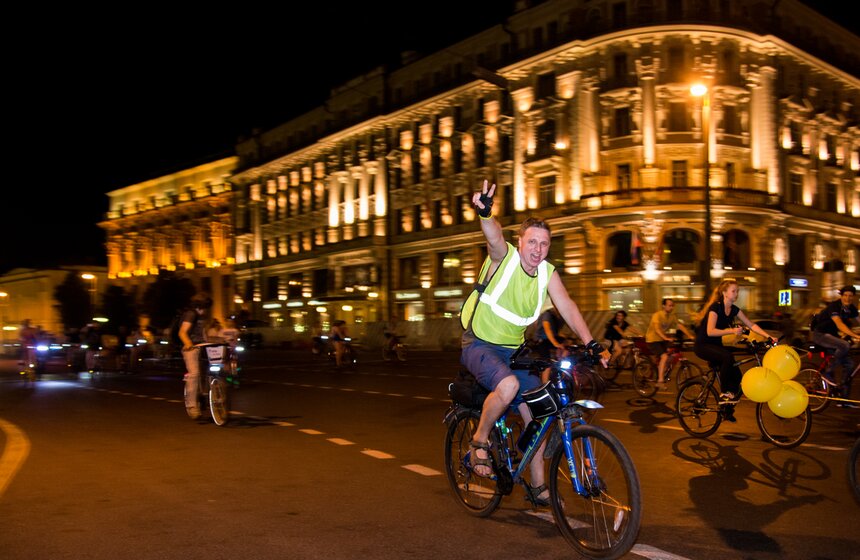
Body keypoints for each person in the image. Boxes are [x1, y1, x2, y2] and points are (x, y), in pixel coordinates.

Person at [461, 179, 609, 507]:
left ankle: (540, 487)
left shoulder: (546, 272)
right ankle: (478, 442)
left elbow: (567, 306)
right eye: (532, 242)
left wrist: (592, 343)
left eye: (544, 244)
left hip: (513, 351)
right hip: (479, 344)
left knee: (539, 415)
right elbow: (494, 238)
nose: (537, 249)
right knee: (509, 387)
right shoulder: (506, 257)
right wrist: (486, 214)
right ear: (521, 241)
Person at [692, 279, 776, 422]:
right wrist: (731, 330)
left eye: (738, 291)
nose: (737, 293)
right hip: (703, 345)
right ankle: (724, 394)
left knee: (738, 379)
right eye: (734, 291)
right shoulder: (715, 308)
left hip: (716, 346)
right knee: (727, 357)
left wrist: (769, 336)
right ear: (724, 293)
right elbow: (710, 331)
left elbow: (751, 324)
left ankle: (727, 411)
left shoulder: (734, 309)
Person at [811, 285, 860, 407]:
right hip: (820, 334)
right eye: (845, 295)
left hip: (832, 337)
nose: (847, 298)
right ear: (841, 296)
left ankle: (843, 400)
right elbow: (839, 324)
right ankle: (828, 372)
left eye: (850, 296)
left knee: (850, 365)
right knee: (844, 345)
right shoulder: (835, 306)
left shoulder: (851, 309)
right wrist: (856, 335)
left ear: (853, 297)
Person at [645, 298, 695, 388]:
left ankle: (662, 369)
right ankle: (660, 381)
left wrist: (689, 335)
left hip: (662, 340)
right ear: (663, 306)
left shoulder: (672, 316)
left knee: (671, 355)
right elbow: (657, 329)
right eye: (669, 305)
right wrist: (665, 338)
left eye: (672, 305)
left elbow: (679, 325)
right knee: (664, 356)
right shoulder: (657, 315)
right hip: (652, 340)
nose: (671, 307)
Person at [179, 293, 213, 420]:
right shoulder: (191, 314)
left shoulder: (201, 316)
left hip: (202, 346)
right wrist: (189, 344)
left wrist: (211, 342)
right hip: (191, 348)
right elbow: (182, 332)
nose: (206, 309)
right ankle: (192, 405)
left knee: (211, 370)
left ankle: (208, 394)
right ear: (199, 305)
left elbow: (203, 333)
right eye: (205, 306)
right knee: (194, 374)